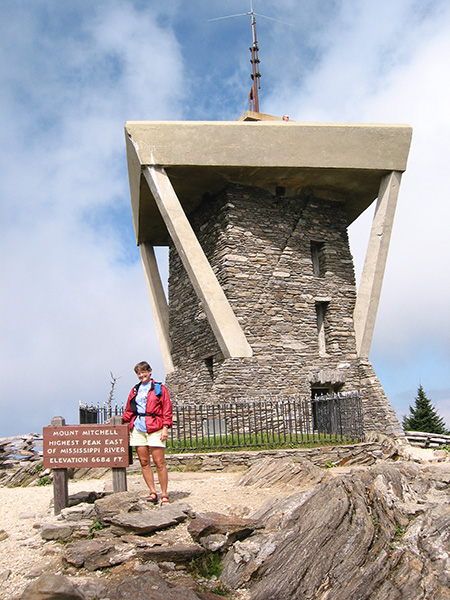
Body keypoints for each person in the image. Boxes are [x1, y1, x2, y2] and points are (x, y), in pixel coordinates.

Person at [122, 361, 173, 505]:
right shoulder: (135, 390)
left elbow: (167, 409)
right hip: (139, 427)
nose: (141, 375)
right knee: (144, 462)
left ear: (149, 371)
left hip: (155, 426)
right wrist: (120, 420)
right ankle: (152, 492)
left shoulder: (159, 389)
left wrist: (165, 427)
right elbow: (130, 410)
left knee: (159, 462)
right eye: (139, 373)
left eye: (144, 372)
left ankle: (164, 494)